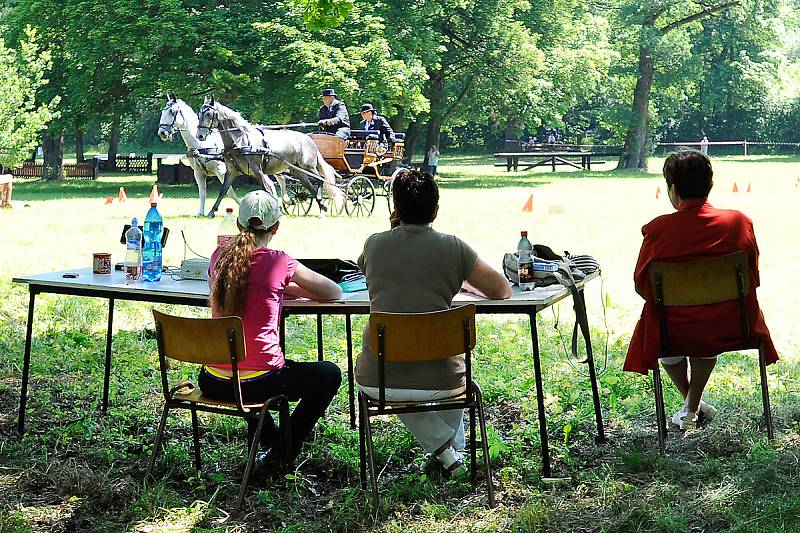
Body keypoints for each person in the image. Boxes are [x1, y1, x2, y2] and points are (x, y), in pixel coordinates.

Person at [355, 169, 511, 475]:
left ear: (395, 209)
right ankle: (450, 452)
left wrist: (392, 229)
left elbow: (366, 267)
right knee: (459, 377)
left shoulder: (374, 244)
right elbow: (501, 290)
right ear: (436, 211)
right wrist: (462, 281)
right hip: (444, 379)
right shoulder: (454, 247)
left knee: (390, 382)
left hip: (380, 377)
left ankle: (448, 456)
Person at [624, 149, 778, 431]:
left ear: (673, 188)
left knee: (659, 323)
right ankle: (692, 407)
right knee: (703, 324)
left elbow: (641, 285)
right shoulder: (738, 223)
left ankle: (690, 406)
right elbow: (752, 278)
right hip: (732, 323)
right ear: (709, 184)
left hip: (673, 329)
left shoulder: (658, 230)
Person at [202, 190, 343, 460]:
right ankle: (282, 449)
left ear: (239, 224)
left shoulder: (218, 257)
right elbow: (333, 292)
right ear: (276, 227)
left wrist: (277, 289)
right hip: (258, 383)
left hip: (212, 380)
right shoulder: (278, 260)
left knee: (245, 363)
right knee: (328, 374)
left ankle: (268, 441)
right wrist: (285, 289)